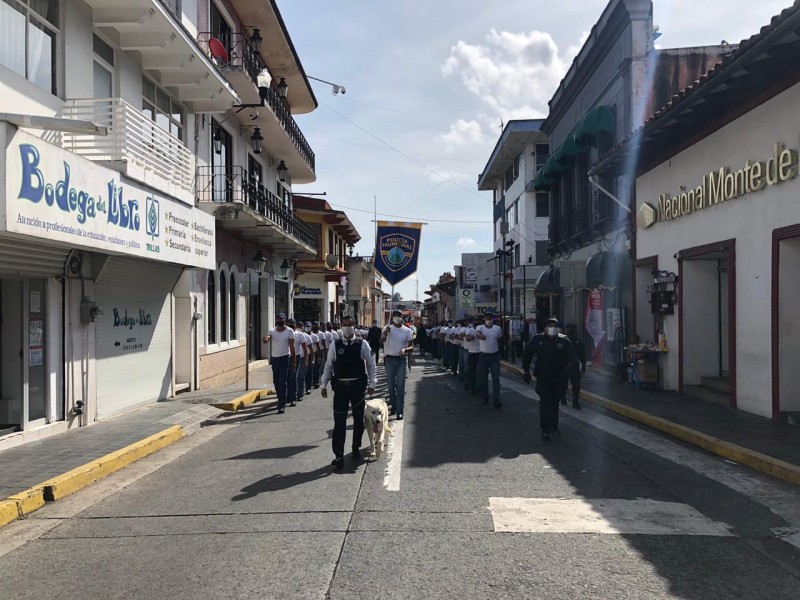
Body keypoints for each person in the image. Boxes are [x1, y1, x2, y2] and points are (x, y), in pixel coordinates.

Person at [321, 315, 377, 470]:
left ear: (354, 326)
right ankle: (339, 455)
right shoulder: (335, 344)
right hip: (340, 388)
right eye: (344, 324)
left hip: (358, 387)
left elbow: (371, 364)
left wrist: (373, 383)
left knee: (359, 421)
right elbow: (329, 365)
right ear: (341, 326)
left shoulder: (362, 343)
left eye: (350, 324)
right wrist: (324, 384)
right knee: (339, 423)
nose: (347, 327)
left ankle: (355, 446)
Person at [522, 317, 576, 441]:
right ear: (545, 327)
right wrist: (525, 371)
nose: (552, 328)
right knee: (545, 402)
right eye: (550, 325)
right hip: (543, 376)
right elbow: (527, 354)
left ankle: (554, 425)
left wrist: (570, 368)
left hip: (559, 377)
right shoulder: (538, 339)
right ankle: (545, 428)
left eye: (555, 326)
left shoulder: (564, 340)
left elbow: (573, 356)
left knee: (555, 403)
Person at [381, 309, 414, 420]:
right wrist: (385, 333)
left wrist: (405, 349)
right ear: (392, 317)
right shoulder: (387, 328)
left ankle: (400, 410)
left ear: (402, 317)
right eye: (395, 315)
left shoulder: (407, 330)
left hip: (401, 360)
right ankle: (394, 406)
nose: (397, 317)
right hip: (389, 360)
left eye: (399, 315)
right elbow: (381, 341)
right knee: (390, 386)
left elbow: (411, 346)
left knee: (401, 386)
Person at [262, 313, 296, 414]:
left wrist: (294, 361)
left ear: (284, 321)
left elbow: (292, 347)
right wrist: (265, 339)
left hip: (285, 358)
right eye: (278, 319)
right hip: (275, 359)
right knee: (276, 381)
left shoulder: (289, 331)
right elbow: (266, 339)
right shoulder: (272, 330)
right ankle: (280, 398)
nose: (279, 320)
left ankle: (282, 404)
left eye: (281, 319)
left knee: (282, 381)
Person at [476, 315, 503, 407]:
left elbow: (499, 339)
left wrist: (500, 352)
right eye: (487, 319)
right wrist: (481, 336)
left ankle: (497, 400)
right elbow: (478, 333)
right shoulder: (480, 327)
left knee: (496, 378)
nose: (489, 320)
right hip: (483, 356)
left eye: (490, 319)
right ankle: (484, 397)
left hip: (494, 356)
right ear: (484, 319)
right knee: (483, 378)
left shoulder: (497, 328)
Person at [562, 323, 586, 409]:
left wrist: (583, 365)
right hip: (565, 365)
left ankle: (575, 401)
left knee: (576, 384)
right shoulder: (563, 340)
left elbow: (582, 354)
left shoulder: (577, 341)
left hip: (574, 365)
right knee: (564, 383)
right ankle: (563, 398)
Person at [293, 319, 309, 404]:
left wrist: (306, 360)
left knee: (300, 376)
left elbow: (306, 349)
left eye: (300, 326)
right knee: (293, 377)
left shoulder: (303, 335)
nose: (299, 328)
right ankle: (293, 394)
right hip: (291, 358)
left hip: (301, 358)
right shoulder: (289, 334)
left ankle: (300, 393)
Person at [465, 317, 481, 394]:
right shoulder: (470, 330)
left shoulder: (482, 329)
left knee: (480, 372)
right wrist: (474, 336)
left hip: (480, 353)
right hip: (472, 353)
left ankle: (479, 387)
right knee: (472, 371)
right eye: (476, 321)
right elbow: (468, 338)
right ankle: (473, 387)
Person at [304, 321, 318, 395]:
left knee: (309, 372)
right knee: (302, 373)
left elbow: (316, 348)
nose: (307, 328)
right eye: (306, 326)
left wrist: (314, 358)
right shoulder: (303, 335)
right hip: (303, 355)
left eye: (309, 326)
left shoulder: (314, 336)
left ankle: (308, 388)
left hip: (311, 355)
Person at [311, 321, 325, 388]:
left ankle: (316, 381)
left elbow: (323, 344)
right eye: (314, 325)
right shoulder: (309, 334)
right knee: (310, 368)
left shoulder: (321, 334)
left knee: (316, 368)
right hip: (310, 354)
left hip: (317, 352)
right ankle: (311, 381)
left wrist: (322, 354)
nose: (315, 326)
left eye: (316, 325)